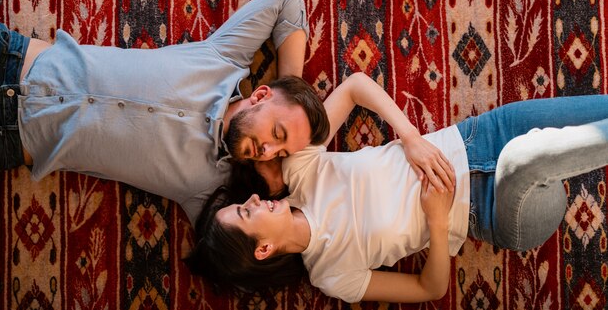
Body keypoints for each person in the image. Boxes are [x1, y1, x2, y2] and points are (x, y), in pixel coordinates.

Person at [187, 72, 608, 304]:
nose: (255, 199)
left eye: (244, 202)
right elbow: (430, 289)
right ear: (262, 249)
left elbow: (353, 86)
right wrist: (437, 221)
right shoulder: (332, 276)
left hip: (479, 135)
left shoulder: (301, 170)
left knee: (597, 111)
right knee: (528, 157)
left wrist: (409, 137)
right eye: (246, 212)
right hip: (498, 211)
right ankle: (547, 156)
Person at [0, 0, 335, 223]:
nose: (269, 151)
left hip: (0, 138)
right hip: (3, 54)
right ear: (261, 95)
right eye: (278, 133)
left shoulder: (211, 190)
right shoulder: (224, 59)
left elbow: (237, 256)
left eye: (281, 154)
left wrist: (277, 191)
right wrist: (293, 85)